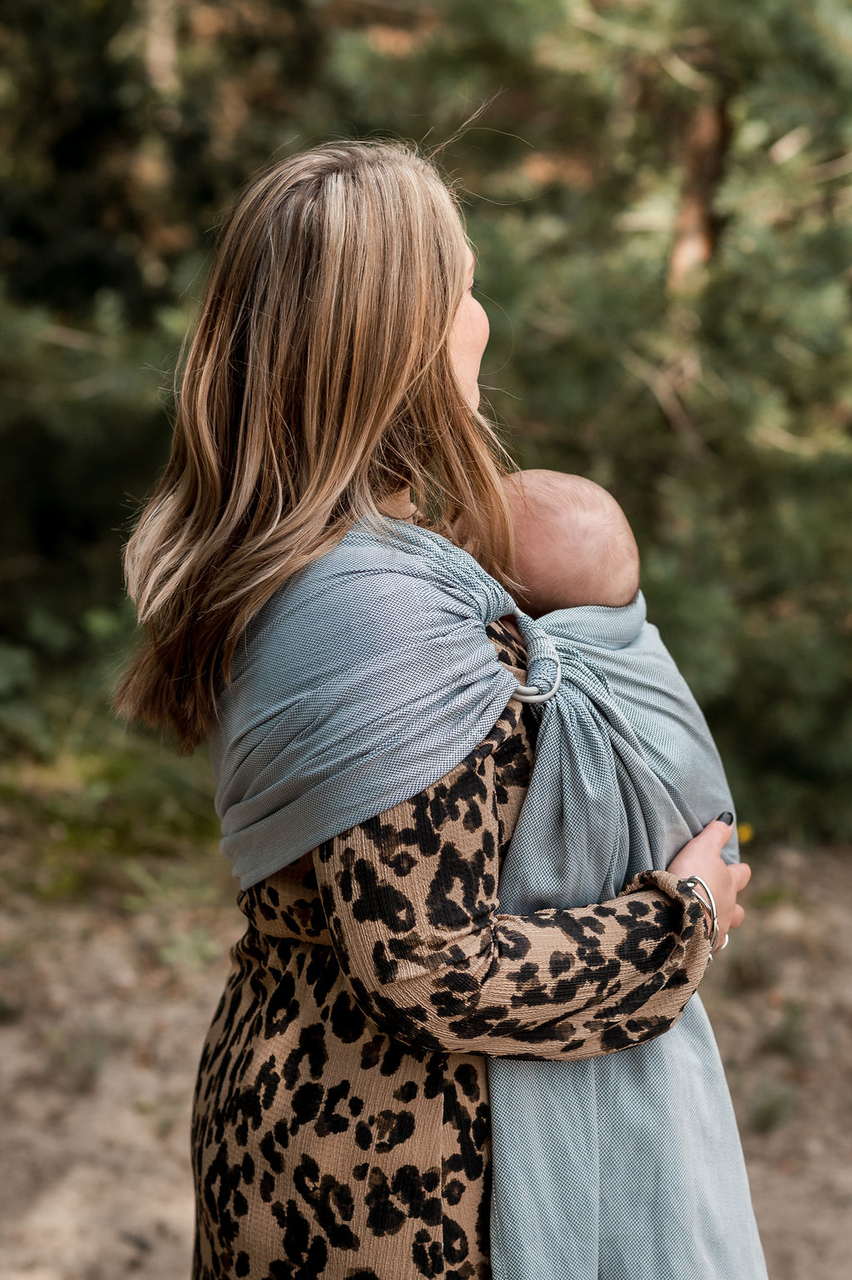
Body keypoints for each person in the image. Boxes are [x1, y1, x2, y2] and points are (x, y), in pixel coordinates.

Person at [114, 140, 753, 1280]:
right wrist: (681, 914)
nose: (483, 318)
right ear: (402, 333)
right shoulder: (380, 609)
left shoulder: (308, 567)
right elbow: (429, 963)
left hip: (302, 1115)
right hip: (395, 1185)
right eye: (462, 287)